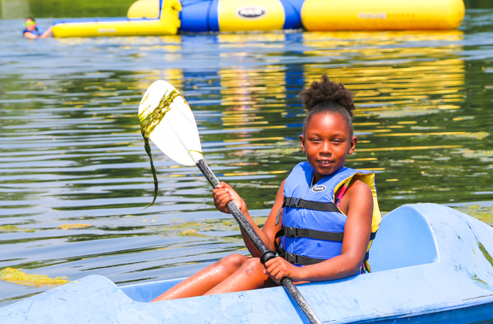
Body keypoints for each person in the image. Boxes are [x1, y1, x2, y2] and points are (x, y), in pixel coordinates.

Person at [153, 75, 380, 301]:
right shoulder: (291, 183)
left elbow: (352, 261)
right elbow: (265, 248)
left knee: (254, 268)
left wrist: (298, 272)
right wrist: (242, 213)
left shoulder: (356, 191)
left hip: (329, 286)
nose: (325, 149)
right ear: (303, 143)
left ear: (351, 145)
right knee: (235, 261)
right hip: (293, 280)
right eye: (316, 140)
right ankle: (154, 310)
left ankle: (185, 318)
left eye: (336, 141)